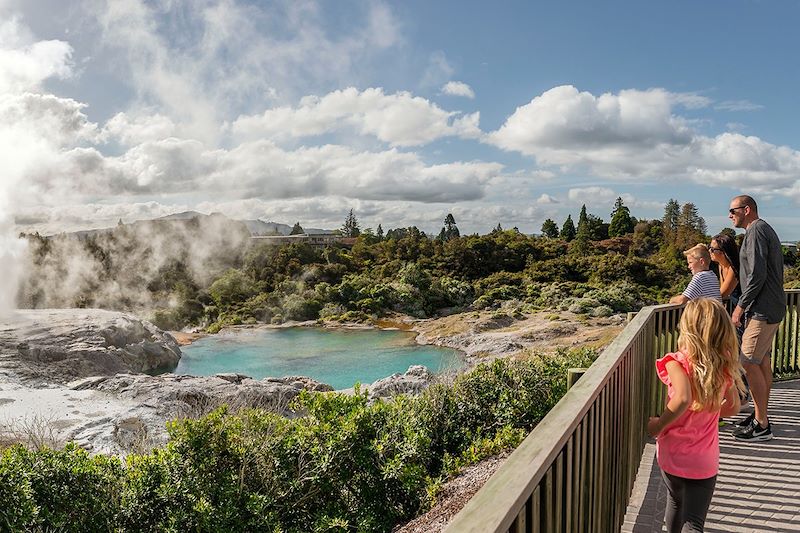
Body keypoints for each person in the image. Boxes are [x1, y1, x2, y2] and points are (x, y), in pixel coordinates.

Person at [648, 298, 744, 532]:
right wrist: (710, 409)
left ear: (688, 328)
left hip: (673, 453)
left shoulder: (677, 363)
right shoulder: (723, 366)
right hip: (704, 460)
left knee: (674, 502)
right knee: (694, 522)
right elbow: (733, 407)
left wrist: (658, 425)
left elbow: (682, 398)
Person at [728, 195, 785, 442]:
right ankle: (760, 416)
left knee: (748, 361)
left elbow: (757, 275)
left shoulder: (756, 231)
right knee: (760, 362)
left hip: (762, 309)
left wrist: (740, 307)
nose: (730, 215)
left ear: (746, 209)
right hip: (769, 306)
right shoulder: (761, 230)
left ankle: (762, 425)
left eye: (733, 210)